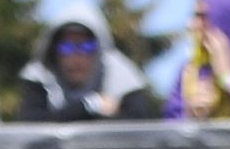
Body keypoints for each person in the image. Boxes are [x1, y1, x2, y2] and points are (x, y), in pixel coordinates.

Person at [15, 14, 159, 118]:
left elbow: (137, 129)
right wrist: (91, 105)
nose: (76, 58)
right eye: (66, 47)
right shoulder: (39, 76)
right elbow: (32, 125)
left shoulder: (122, 78)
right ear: (53, 52)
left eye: (86, 47)